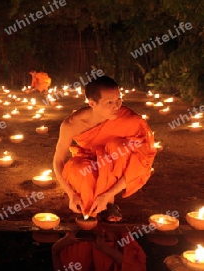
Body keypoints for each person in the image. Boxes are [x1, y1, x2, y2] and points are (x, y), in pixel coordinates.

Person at [53, 76, 157, 221]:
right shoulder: (71, 125)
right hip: (89, 159)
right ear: (92, 103)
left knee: (119, 147)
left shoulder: (129, 119)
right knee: (78, 170)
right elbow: (58, 161)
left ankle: (107, 202)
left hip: (114, 159)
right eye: (109, 102)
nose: (117, 106)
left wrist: (108, 194)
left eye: (118, 100)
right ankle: (92, 206)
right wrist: (71, 194)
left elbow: (143, 159)